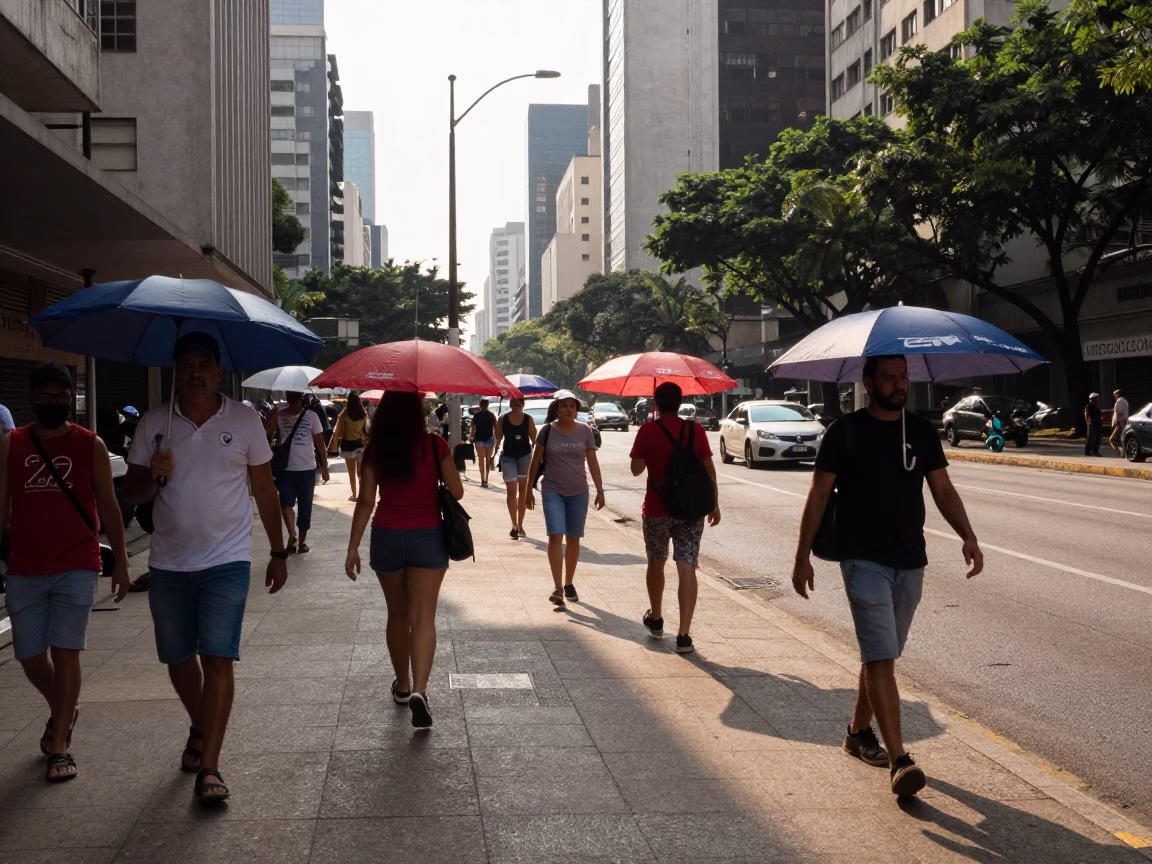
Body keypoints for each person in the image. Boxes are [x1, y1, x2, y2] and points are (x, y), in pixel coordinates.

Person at [791, 354, 983, 798]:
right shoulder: (845, 432)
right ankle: (900, 760)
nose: (899, 385)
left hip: (910, 559)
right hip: (861, 559)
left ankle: (858, 731)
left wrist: (968, 536)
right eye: (889, 379)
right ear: (869, 383)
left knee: (882, 653)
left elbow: (943, 490)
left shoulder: (918, 431)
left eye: (904, 377)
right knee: (880, 656)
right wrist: (801, 556)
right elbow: (818, 496)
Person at [124, 332, 289, 805]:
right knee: (178, 659)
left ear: (219, 371)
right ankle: (201, 724)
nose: (196, 371)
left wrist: (278, 552)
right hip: (169, 561)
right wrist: (152, 474)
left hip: (228, 559)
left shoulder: (244, 420)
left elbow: (264, 490)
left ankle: (211, 765)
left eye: (204, 363)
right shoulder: (155, 423)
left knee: (218, 658)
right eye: (187, 363)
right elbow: (134, 494)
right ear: (176, 370)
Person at [0, 363, 131, 782]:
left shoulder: (89, 444)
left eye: (62, 396)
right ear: (31, 398)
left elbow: (109, 505)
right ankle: (66, 708)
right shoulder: (11, 444)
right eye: (47, 395)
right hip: (25, 564)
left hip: (77, 561)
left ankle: (60, 744)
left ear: (72, 400)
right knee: (29, 655)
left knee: (66, 650)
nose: (54, 402)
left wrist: (123, 562)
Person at [344, 391, 463, 728]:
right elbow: (458, 491)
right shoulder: (434, 445)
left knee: (397, 614)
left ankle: (403, 685)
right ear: (417, 411)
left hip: (386, 535)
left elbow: (366, 501)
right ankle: (421, 691)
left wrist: (353, 547)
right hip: (429, 535)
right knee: (423, 617)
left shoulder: (374, 450)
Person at [629, 382, 721, 654]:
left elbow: (636, 470)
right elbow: (709, 470)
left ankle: (656, 618)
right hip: (691, 511)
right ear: (680, 403)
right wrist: (714, 504)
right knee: (687, 566)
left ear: (654, 403)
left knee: (656, 563)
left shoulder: (647, 430)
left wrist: (648, 447)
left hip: (657, 509)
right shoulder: (695, 430)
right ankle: (684, 635)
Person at [525, 390, 605, 606]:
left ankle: (569, 582)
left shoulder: (585, 431)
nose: (568, 409)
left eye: (572, 405)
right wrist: (527, 490)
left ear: (576, 409)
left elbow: (593, 462)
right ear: (557, 409)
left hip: (579, 491)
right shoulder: (547, 431)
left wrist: (600, 489)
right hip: (552, 490)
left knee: (573, 538)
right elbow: (535, 462)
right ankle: (558, 587)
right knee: (555, 536)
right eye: (564, 406)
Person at [266, 391, 330, 554]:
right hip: (306, 467)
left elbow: (268, 435)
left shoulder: (279, 415)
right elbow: (320, 441)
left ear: (287, 397)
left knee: (286, 502)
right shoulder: (311, 415)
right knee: (305, 504)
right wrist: (325, 467)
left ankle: (292, 535)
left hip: (286, 467)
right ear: (301, 397)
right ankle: (301, 542)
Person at [492, 396, 538, 539]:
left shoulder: (523, 418)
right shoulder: (506, 419)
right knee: (517, 492)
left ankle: (517, 525)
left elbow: (534, 439)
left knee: (516, 492)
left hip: (520, 456)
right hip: (513, 457)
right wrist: (493, 456)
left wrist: (493, 456)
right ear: (522, 404)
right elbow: (533, 438)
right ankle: (517, 525)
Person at [330, 392, 368, 502]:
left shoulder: (343, 415)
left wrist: (333, 446)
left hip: (348, 446)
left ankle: (354, 495)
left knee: (352, 473)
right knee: (360, 472)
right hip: (360, 445)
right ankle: (362, 494)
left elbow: (337, 432)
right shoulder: (364, 414)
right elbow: (365, 431)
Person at [470, 399, 498, 488]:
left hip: (479, 439)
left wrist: (471, 437)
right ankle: (486, 479)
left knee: (481, 459)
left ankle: (483, 480)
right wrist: (495, 439)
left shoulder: (476, 416)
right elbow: (495, 428)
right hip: (489, 439)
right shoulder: (491, 415)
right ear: (487, 405)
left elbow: (473, 428)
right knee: (488, 459)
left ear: (480, 405)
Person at [1109, 389, 1129, 455]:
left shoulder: (1119, 400)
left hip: (1120, 422)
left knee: (1112, 439)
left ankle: (1121, 454)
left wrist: (1115, 422)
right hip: (1123, 421)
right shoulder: (1124, 401)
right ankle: (1122, 453)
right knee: (1120, 438)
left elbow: (1118, 412)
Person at [1085, 393, 1103, 457]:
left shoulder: (1097, 406)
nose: (1097, 399)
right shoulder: (1089, 406)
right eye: (1096, 398)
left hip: (1098, 423)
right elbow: (1086, 414)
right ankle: (1087, 451)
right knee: (1091, 438)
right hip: (1092, 424)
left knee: (1098, 438)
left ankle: (1095, 451)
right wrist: (1088, 422)